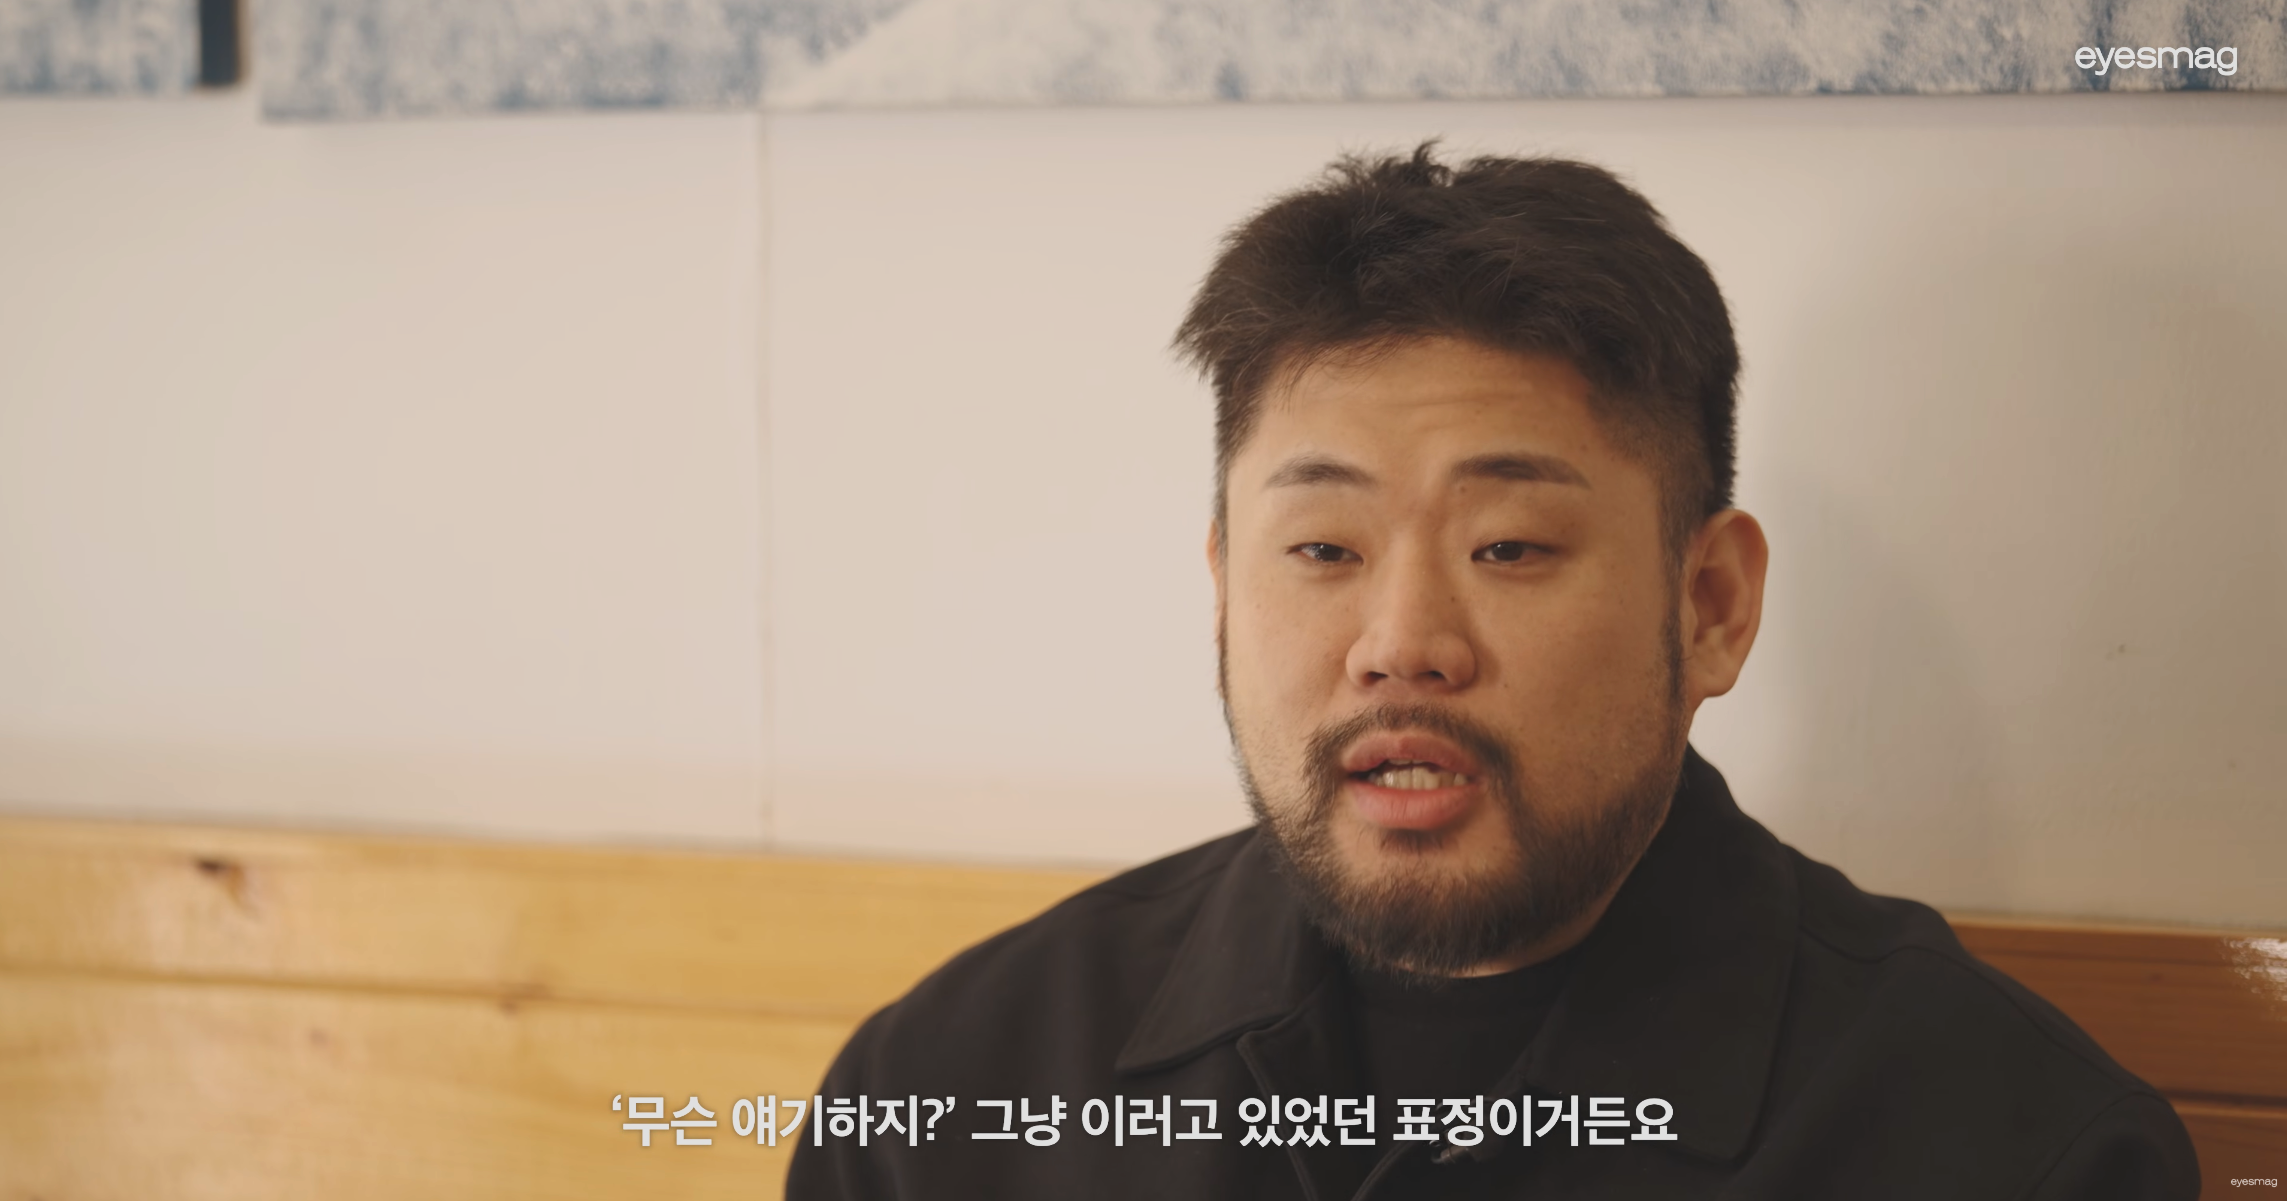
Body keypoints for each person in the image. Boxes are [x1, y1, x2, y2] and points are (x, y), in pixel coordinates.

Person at [785, 143, 2198, 1200]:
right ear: (1221, 590)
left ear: (1709, 604)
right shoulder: (948, 1097)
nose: (1402, 643)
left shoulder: (2014, 1149)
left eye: (1509, 546)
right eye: (1322, 549)